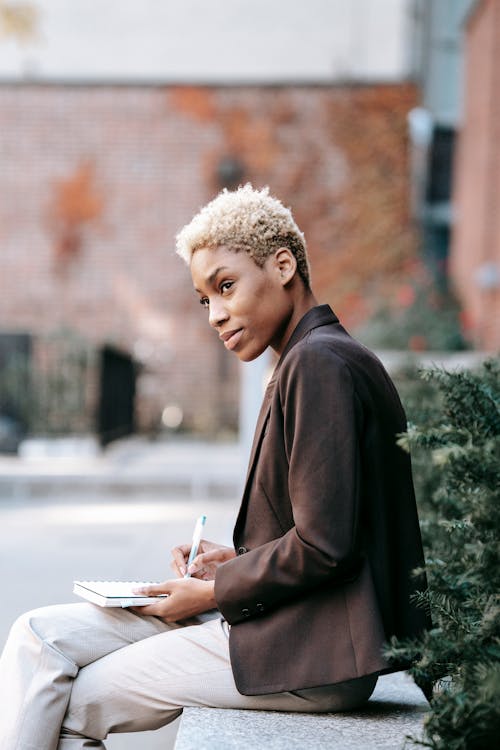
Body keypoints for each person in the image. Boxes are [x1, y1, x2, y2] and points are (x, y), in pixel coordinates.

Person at [0, 184, 431, 749]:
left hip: (312, 653)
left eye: (226, 286)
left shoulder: (319, 364)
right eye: (205, 299)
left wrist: (210, 593)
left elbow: (327, 545)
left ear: (283, 265)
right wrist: (232, 562)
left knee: (74, 701)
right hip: (291, 626)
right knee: (37, 634)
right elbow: (329, 524)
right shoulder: (314, 358)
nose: (216, 314)